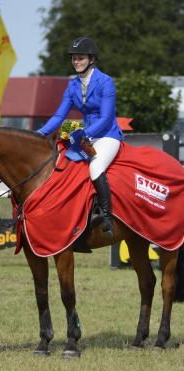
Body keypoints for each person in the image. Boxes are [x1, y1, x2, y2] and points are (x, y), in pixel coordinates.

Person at [37, 37, 124, 235]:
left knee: (95, 167)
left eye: (81, 58)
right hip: (86, 134)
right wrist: (40, 133)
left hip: (108, 135)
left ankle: (106, 216)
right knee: (64, 164)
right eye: (74, 59)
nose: (76, 62)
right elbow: (60, 115)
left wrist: (84, 133)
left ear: (91, 59)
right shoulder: (72, 85)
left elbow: (107, 117)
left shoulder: (105, 82)